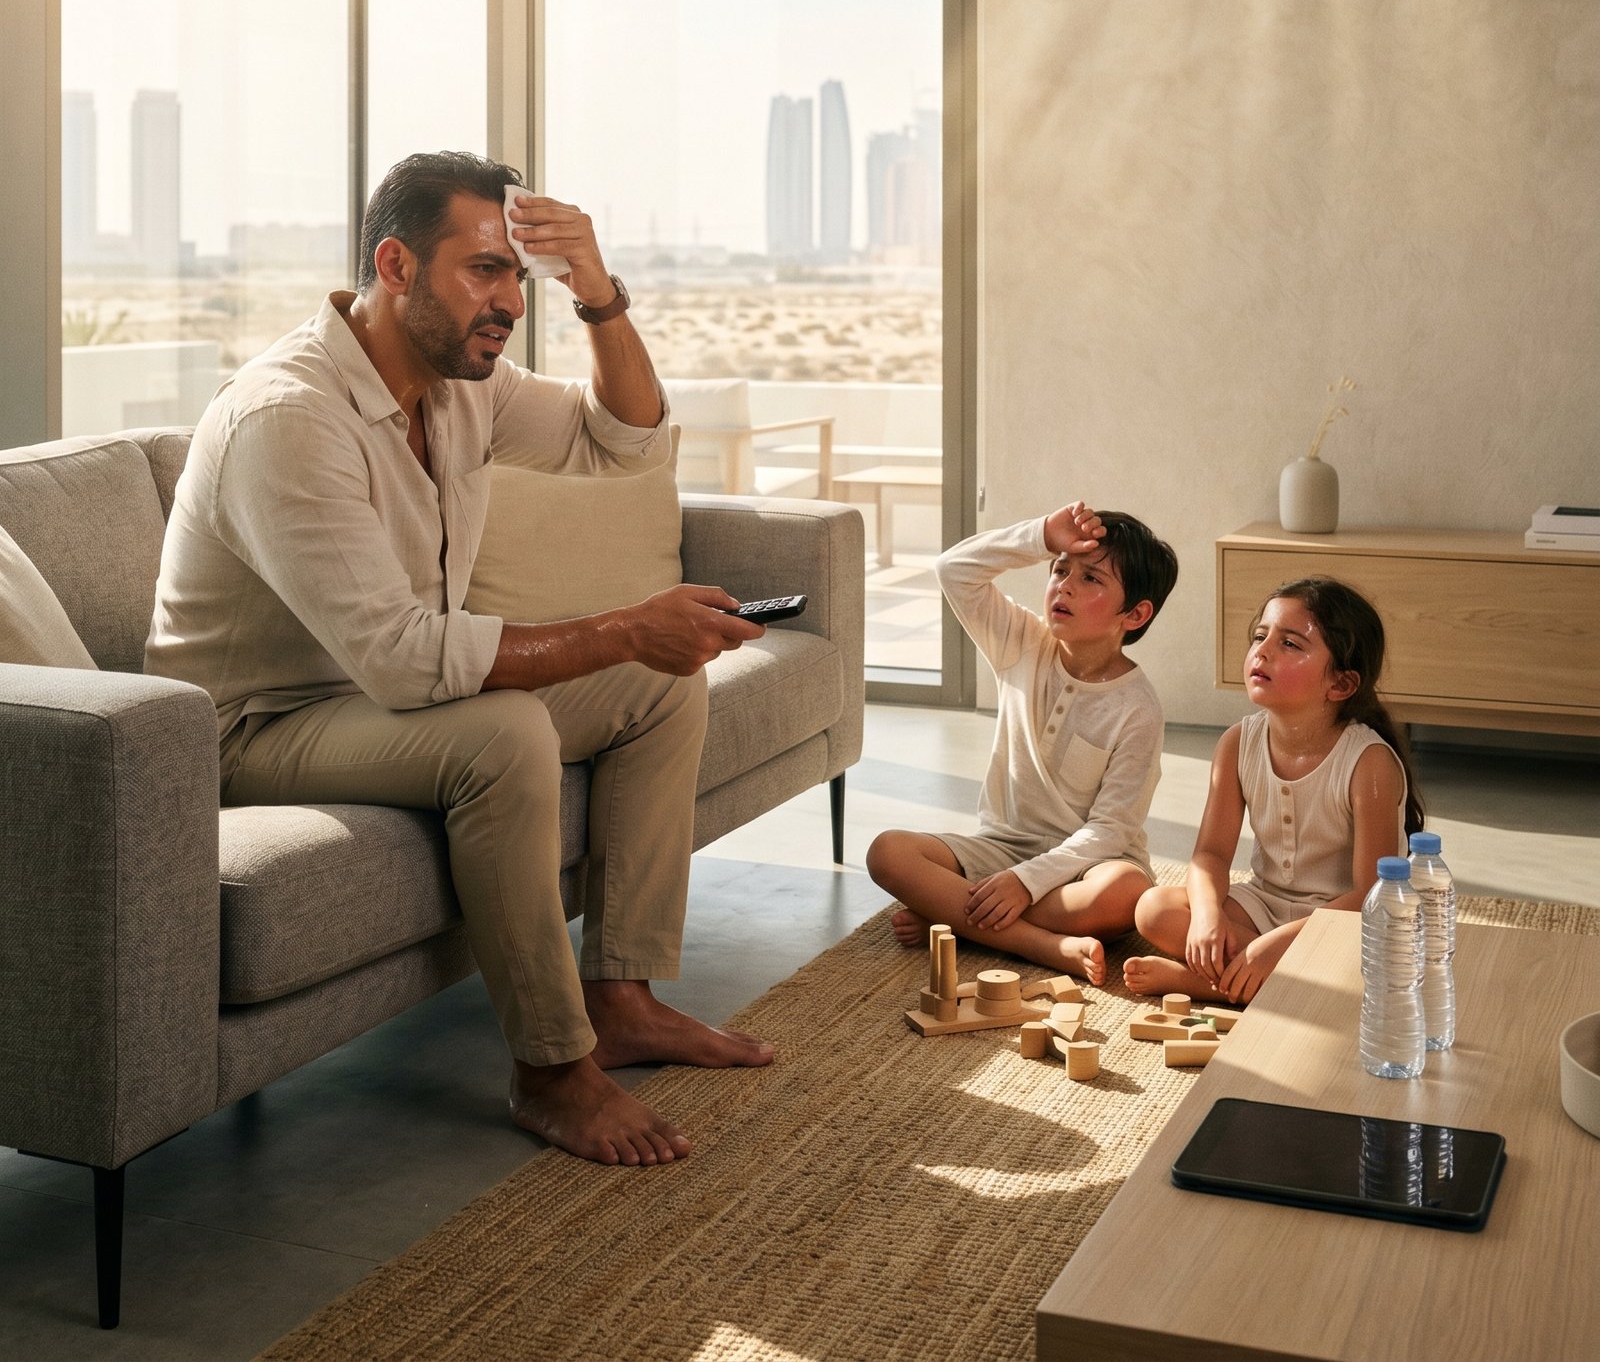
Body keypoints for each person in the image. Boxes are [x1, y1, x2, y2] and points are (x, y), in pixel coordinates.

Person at [147, 150, 773, 1170]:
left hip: (376, 699)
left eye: (516, 275)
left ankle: (620, 997)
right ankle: (551, 1069)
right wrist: (623, 625)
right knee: (506, 731)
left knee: (659, 683)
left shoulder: (459, 386)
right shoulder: (289, 417)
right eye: (484, 270)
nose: (509, 303)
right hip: (255, 728)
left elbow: (624, 439)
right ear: (396, 265)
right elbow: (401, 659)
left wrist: (598, 291)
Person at [867, 501, 1178, 983]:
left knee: (1124, 894)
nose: (1065, 585)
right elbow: (953, 569)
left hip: (1089, 866)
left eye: (1091, 578)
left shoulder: (1139, 708)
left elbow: (1111, 830)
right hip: (1000, 850)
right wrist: (1041, 536)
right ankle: (1041, 945)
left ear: (1135, 614)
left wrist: (1024, 883)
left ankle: (955, 915)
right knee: (887, 852)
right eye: (1060, 569)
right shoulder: (1022, 644)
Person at [1126, 576, 1421, 1002]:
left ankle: (1209, 984)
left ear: (1340, 684)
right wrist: (1208, 916)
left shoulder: (1369, 762)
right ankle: (1277, 986)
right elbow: (1211, 855)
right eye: (1260, 636)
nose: (1262, 651)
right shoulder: (1237, 743)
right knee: (1154, 909)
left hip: (1341, 921)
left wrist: (1273, 947)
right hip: (1262, 905)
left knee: (1369, 963)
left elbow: (1370, 897)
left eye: (1290, 644)